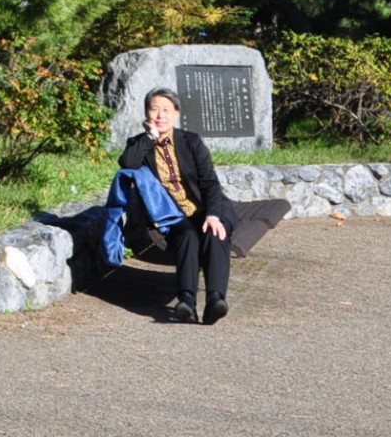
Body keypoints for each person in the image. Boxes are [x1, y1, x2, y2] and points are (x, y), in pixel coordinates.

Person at [117, 86, 288, 324]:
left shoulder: (191, 141)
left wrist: (213, 215)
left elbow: (210, 183)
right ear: (146, 114)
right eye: (154, 109)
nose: (160, 115)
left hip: (210, 208)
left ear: (176, 113)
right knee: (187, 237)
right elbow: (127, 163)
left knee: (215, 234)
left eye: (166, 110)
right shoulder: (140, 144)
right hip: (176, 216)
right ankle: (186, 301)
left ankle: (215, 299)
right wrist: (150, 138)